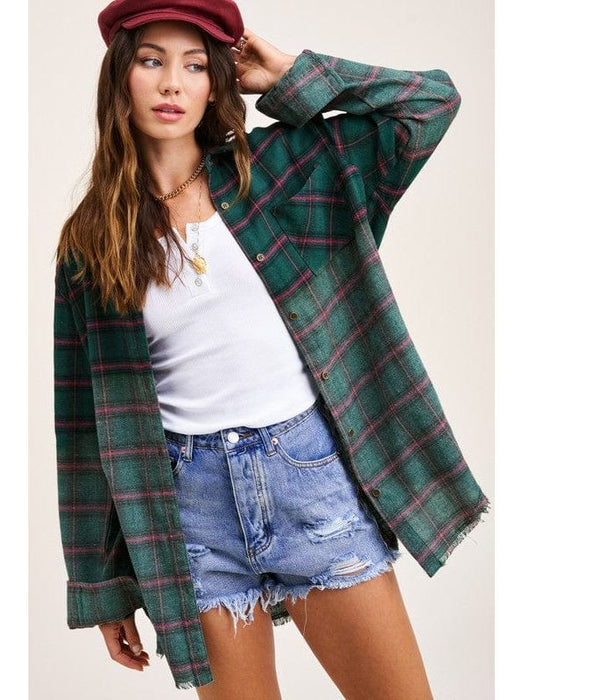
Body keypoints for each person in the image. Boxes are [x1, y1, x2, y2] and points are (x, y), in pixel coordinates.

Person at [53, 0, 491, 696]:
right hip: (189, 511)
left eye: (196, 65)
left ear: (217, 82)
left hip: (308, 480)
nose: (172, 83)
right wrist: (102, 585)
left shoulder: (285, 173)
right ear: (120, 77)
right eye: (151, 61)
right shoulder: (91, 239)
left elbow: (430, 104)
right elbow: (82, 427)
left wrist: (291, 75)